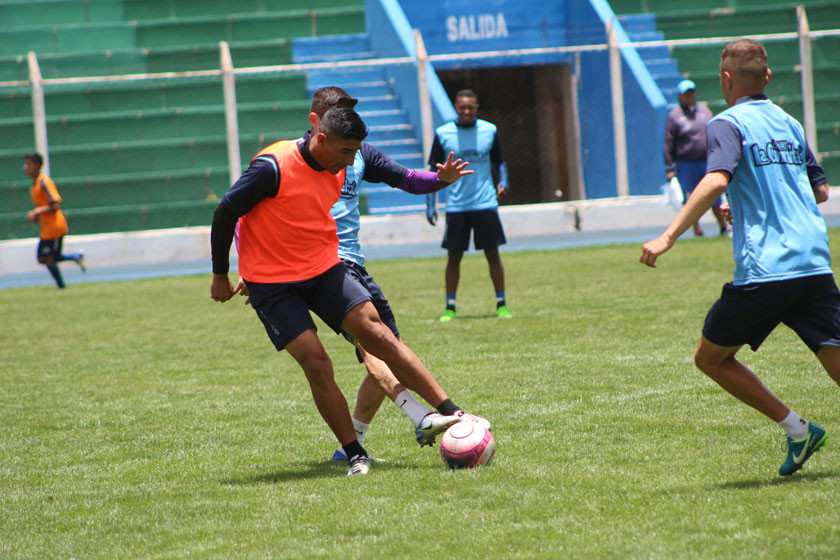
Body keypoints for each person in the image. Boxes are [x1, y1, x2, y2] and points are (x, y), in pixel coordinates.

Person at [210, 105, 483, 476]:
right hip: (272, 283)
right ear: (320, 137)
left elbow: (402, 178)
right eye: (346, 151)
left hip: (322, 267)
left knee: (378, 335)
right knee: (317, 363)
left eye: (355, 152)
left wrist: (438, 180)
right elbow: (228, 212)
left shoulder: (339, 164)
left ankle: (453, 412)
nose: (352, 161)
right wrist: (221, 274)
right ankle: (354, 452)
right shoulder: (272, 167)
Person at [641, 39, 834, 476]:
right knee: (834, 356)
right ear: (768, 77)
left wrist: (668, 236)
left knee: (710, 358)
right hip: (813, 260)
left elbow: (715, 180)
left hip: (767, 267)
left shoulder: (727, 123)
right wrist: (750, 200)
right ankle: (800, 433)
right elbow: (819, 190)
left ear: (725, 79)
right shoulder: (789, 122)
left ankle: (798, 430)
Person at [296, 87, 485, 462]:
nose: (348, 118)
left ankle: (352, 444)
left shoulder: (359, 153)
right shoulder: (296, 158)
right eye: (339, 111)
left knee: (391, 347)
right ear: (317, 119)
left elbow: (407, 178)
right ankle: (425, 415)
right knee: (375, 346)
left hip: (354, 262)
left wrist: (441, 180)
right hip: (324, 266)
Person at [426, 89, 511, 322]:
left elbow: (500, 162)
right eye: (462, 107)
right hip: (456, 205)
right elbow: (433, 170)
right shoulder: (443, 133)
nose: (466, 111)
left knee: (493, 254)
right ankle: (450, 307)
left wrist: (504, 181)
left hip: (485, 203)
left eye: (470, 108)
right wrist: (430, 204)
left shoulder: (489, 130)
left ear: (476, 108)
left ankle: (502, 303)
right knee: (454, 258)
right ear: (456, 107)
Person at [664, 79, 728, 237]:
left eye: (692, 93)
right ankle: (697, 230)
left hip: (707, 161)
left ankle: (723, 227)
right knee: (691, 198)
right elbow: (668, 143)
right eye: (686, 94)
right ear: (680, 96)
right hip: (686, 163)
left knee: (714, 195)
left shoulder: (704, 111)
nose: (690, 97)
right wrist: (670, 168)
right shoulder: (675, 116)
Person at [24, 153, 85, 288]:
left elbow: (55, 204)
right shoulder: (35, 185)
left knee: (46, 257)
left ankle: (61, 286)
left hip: (54, 227)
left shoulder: (44, 182)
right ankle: (75, 257)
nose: (25, 167)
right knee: (47, 257)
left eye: (28, 164)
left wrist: (37, 212)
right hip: (47, 228)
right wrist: (37, 216)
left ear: (37, 165)